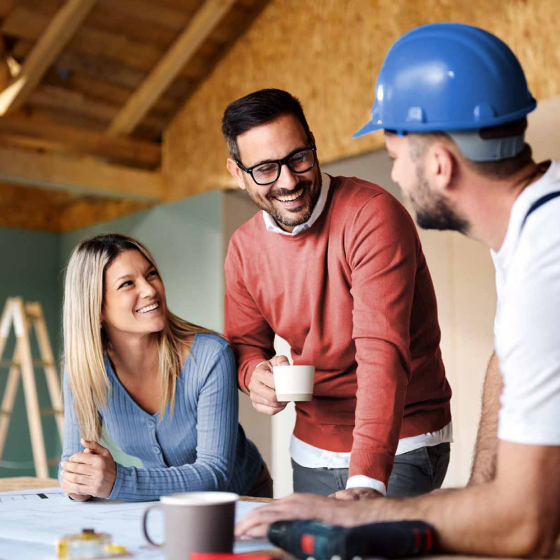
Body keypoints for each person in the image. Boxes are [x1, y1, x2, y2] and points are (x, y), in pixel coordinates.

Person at [236, 23, 560, 557]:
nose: (393, 175)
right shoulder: (532, 231)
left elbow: (525, 524)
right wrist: (481, 492)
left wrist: (363, 507)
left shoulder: (547, 259)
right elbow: (509, 360)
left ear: (438, 165)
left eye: (392, 155)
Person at [222, 88, 452, 499]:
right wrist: (254, 375)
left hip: (402, 442)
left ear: (313, 142)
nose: (289, 181)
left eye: (298, 158)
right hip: (311, 449)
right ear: (238, 174)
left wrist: (365, 479)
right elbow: (243, 345)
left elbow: (381, 353)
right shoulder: (243, 248)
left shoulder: (371, 214)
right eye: (265, 170)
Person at [59, 233, 271, 501]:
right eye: (127, 284)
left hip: (243, 497)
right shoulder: (83, 369)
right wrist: (82, 484)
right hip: (165, 504)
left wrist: (117, 480)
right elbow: (70, 463)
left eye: (151, 275)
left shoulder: (211, 355)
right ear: (96, 307)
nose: (149, 290)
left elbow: (215, 473)